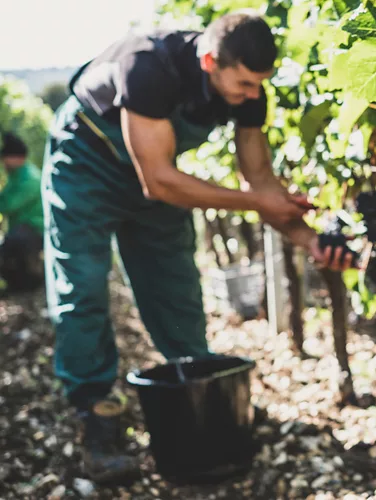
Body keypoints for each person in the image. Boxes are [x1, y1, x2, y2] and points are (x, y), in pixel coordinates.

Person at [42, 10, 356, 483]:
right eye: (246, 84)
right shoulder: (148, 65)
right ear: (210, 59)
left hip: (158, 174)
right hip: (89, 166)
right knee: (84, 287)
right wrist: (254, 202)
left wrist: (311, 241)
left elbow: (261, 181)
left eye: (259, 85)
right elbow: (160, 181)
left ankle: (197, 400)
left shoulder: (248, 93)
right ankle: (97, 418)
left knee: (177, 290)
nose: (254, 96)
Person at [0, 133, 45, 293]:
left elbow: (7, 204)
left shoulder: (30, 179)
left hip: (35, 230)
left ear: (16, 158)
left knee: (12, 245)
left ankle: (32, 283)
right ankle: (18, 284)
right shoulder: (16, 175)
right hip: (21, 229)